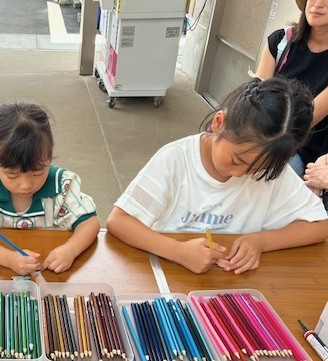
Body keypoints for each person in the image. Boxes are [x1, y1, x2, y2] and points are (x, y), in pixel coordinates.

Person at [106, 77, 328, 275]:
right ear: (219, 123)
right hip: (169, 275)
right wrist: (177, 251)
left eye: (256, 169)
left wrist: (260, 241)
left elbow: (320, 225)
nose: (240, 174)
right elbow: (119, 221)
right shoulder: (176, 159)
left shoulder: (271, 172)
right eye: (237, 161)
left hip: (230, 284)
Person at [0, 102, 100, 275]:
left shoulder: (62, 185)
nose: (26, 185)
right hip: (0, 275)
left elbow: (90, 223)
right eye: (12, 175)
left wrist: (70, 250)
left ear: (49, 157)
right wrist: (8, 259)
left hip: (49, 275)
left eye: (38, 172)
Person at [254, 0, 328, 177]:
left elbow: (307, 119)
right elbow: (257, 98)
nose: (317, 4)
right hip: (263, 131)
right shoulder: (281, 41)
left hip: (303, 150)